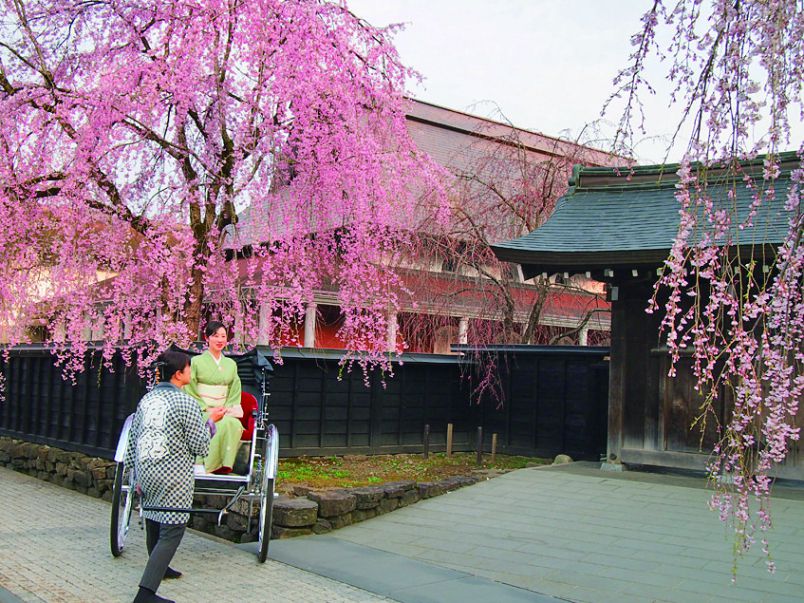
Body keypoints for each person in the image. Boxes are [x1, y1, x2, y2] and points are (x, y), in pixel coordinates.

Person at [125, 350, 211, 603]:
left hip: (146, 470)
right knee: (172, 531)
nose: (191, 373)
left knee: (153, 518)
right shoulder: (186, 403)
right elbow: (201, 447)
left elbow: (133, 439)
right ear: (178, 374)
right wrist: (211, 424)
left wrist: (135, 473)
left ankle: (160, 568)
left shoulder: (147, 399)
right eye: (189, 368)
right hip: (173, 475)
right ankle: (145, 594)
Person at [185, 321, 244, 474]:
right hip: (202, 409)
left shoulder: (231, 364)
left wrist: (227, 407)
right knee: (211, 422)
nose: (220, 340)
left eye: (223, 336)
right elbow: (189, 386)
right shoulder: (196, 362)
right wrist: (205, 408)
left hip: (223, 409)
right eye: (215, 336)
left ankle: (223, 464)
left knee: (233, 424)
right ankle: (201, 463)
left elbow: (234, 388)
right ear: (207, 338)